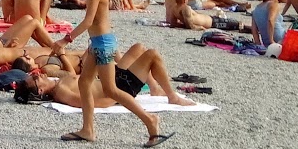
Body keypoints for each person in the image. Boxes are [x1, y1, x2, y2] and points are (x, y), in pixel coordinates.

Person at [53, 0, 167, 147]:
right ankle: (88, 129)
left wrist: (65, 40)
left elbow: (88, 22)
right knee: (84, 83)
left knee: (111, 90)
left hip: (103, 45)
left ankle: (150, 120)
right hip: (98, 44)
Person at [21, 43, 195, 108]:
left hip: (113, 79)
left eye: (35, 74)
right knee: (153, 55)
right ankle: (172, 97)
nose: (38, 75)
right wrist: (116, 97)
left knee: (138, 48)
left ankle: (155, 89)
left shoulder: (59, 83)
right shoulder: (62, 93)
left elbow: (75, 76)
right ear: (40, 91)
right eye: (36, 78)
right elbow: (90, 104)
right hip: (119, 87)